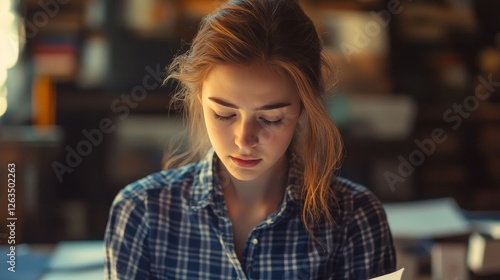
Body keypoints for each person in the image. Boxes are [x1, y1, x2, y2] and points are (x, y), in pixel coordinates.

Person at [104, 0, 396, 279]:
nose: (245, 140)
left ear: (304, 107)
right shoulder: (141, 213)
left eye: (271, 119)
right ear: (199, 99)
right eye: (223, 114)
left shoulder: (354, 219)